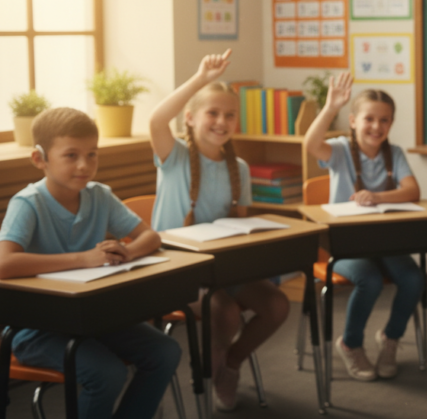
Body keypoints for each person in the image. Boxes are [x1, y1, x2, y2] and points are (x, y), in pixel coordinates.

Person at [0, 108, 180, 419]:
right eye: (71, 155)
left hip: (93, 317)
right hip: (37, 329)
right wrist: (82, 259)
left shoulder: (100, 196)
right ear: (39, 159)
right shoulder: (27, 204)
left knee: (166, 351)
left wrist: (130, 251)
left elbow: (150, 237)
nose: (84, 165)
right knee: (106, 373)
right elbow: (4, 264)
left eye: (92, 154)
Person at [150, 49, 289, 411]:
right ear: (191, 118)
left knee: (276, 305)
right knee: (224, 312)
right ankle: (206, 377)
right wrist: (200, 79)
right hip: (176, 269)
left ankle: (229, 363)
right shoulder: (174, 156)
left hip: (223, 267)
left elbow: (240, 222)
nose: (221, 121)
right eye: (212, 113)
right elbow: (156, 119)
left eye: (230, 114)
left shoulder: (239, 167)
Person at [305, 71, 423, 382]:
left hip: (384, 243)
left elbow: (413, 191)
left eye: (384, 121)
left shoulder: (393, 153)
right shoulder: (340, 150)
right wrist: (331, 106)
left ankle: (390, 338)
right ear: (354, 120)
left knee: (412, 278)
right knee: (368, 280)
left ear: (391, 124)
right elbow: (310, 143)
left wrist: (377, 196)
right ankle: (351, 343)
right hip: (344, 245)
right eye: (369, 119)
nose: (376, 126)